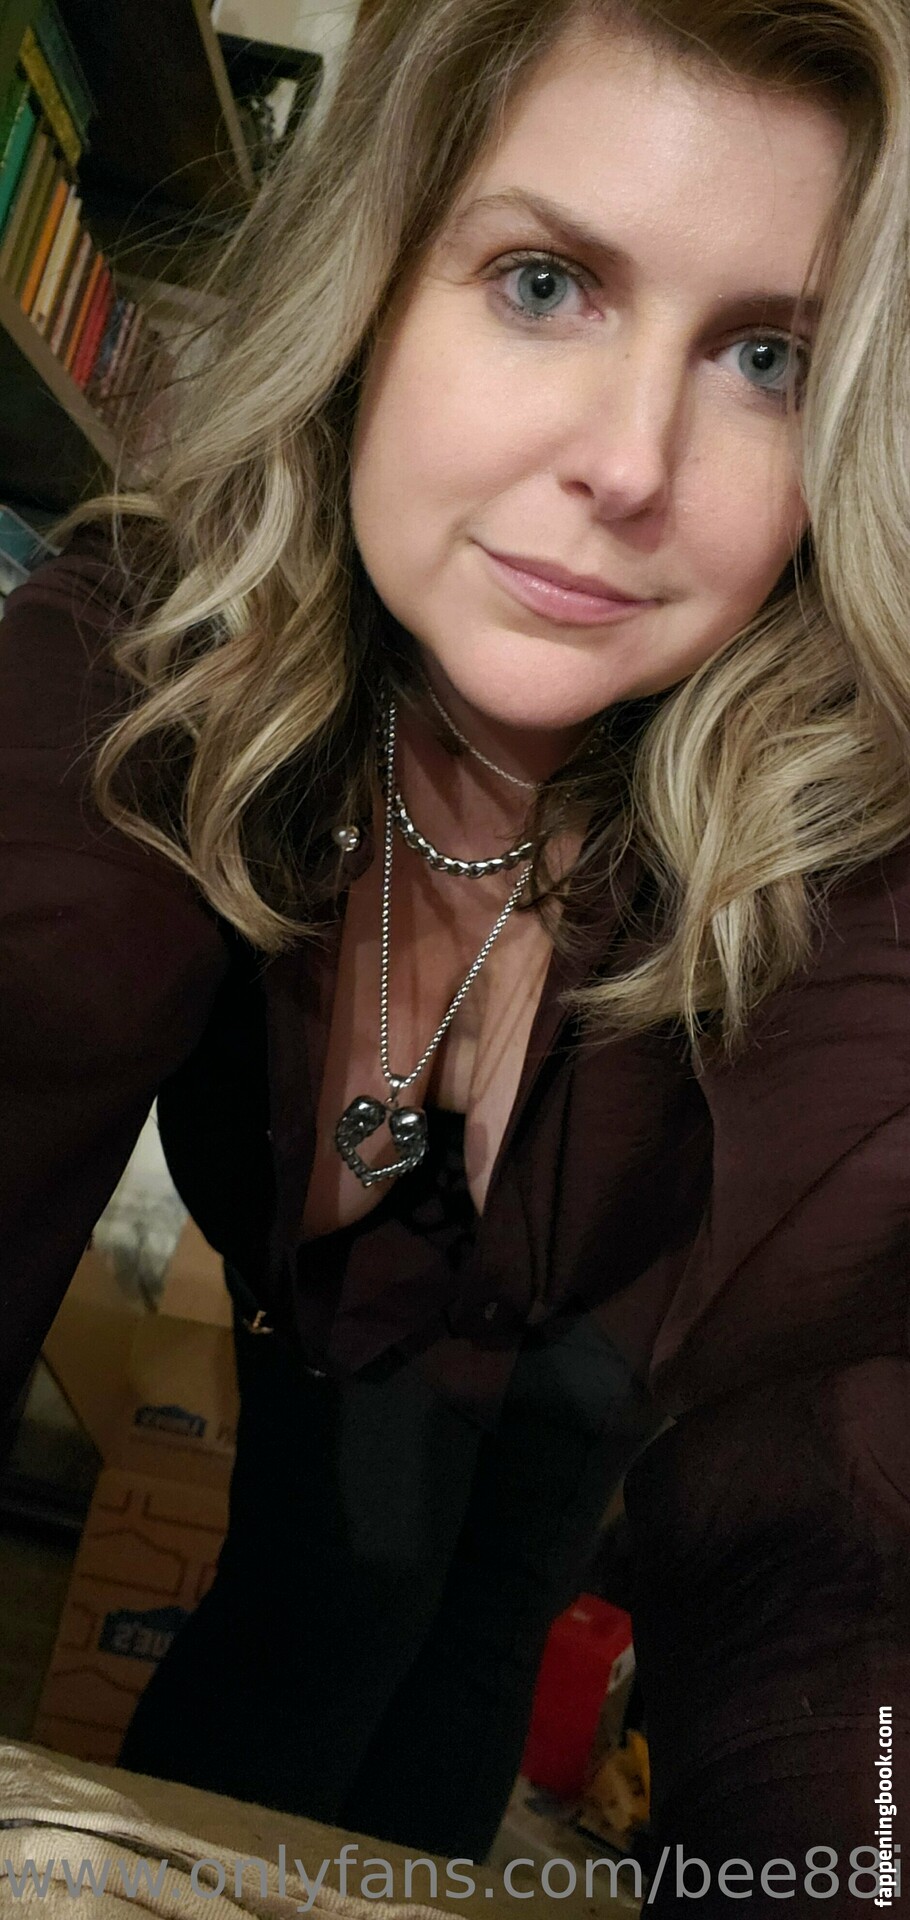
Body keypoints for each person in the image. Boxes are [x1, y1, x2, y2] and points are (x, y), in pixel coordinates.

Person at [1, 0, 908, 1899]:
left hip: (595, 1356)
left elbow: (845, 1499)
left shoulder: (835, 808)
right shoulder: (144, 668)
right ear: (372, 285)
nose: (631, 464)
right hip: (328, 1329)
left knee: (484, 1629)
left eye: (765, 356)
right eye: (542, 283)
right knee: (327, 1587)